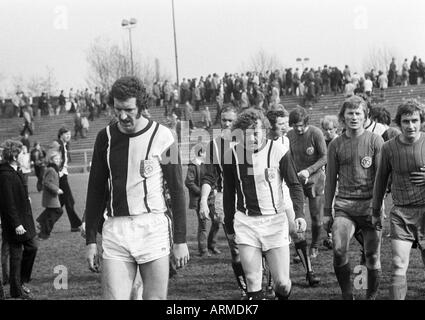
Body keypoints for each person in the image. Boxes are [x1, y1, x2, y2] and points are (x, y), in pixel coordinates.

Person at [84, 76, 189, 300]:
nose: (122, 116)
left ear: (142, 105)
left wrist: (180, 240)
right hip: (116, 230)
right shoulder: (105, 138)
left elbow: (178, 191)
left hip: (152, 228)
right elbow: (95, 191)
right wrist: (91, 240)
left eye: (129, 109)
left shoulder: (164, 137)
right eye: (117, 109)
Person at [222, 108, 306, 300]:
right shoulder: (231, 156)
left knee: (282, 284)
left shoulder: (278, 151)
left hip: (274, 222)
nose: (252, 139)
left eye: (256, 134)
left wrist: (299, 213)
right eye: (247, 135)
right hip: (246, 223)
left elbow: (294, 185)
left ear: (265, 130)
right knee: (253, 281)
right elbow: (228, 193)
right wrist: (229, 225)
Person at [324, 95, 384, 300]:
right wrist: (326, 212)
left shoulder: (376, 140)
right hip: (345, 206)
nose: (354, 117)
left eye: (358, 113)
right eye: (350, 113)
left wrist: (377, 208)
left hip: (370, 206)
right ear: (343, 116)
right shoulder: (335, 144)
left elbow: (381, 178)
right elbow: (330, 180)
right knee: (339, 250)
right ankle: (348, 294)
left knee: (372, 256)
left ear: (365, 116)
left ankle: (370, 297)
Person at [372, 99, 425, 300]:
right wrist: (376, 211)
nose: (410, 126)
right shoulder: (388, 148)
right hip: (401, 213)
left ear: (421, 121)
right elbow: (380, 181)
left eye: (414, 120)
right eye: (405, 121)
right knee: (398, 264)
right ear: (399, 123)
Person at [266, 109, 321, 287]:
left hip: (284, 192)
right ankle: (269, 283)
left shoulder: (285, 140)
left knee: (297, 231)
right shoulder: (261, 143)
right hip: (266, 197)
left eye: (285, 123)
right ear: (271, 125)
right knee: (268, 239)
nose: (285, 127)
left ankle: (309, 272)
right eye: (281, 124)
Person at [199, 105, 248, 298]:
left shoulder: (248, 141)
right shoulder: (214, 146)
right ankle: (245, 289)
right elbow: (209, 177)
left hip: (249, 198)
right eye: (224, 120)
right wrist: (203, 199)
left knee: (257, 244)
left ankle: (264, 283)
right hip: (226, 200)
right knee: (235, 249)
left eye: (231, 120)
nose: (227, 124)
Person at [0, 140, 38, 299]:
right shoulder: (5, 175)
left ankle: (19, 284)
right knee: (17, 254)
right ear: (14, 155)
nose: (25, 155)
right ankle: (17, 288)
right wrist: (16, 224)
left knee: (31, 248)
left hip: (24, 219)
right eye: (22, 153)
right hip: (16, 222)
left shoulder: (16, 170)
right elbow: (7, 203)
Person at [287, 106, 327, 259]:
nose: (298, 128)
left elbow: (324, 157)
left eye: (301, 125)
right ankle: (302, 248)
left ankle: (314, 246)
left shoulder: (315, 133)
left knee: (316, 217)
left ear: (306, 123)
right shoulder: (289, 135)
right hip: (297, 181)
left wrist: (309, 171)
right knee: (298, 216)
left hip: (315, 180)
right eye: (295, 125)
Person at [185, 146, 221, 257]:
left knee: (217, 221)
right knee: (203, 225)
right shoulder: (193, 166)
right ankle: (204, 250)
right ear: (201, 153)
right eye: (206, 152)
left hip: (211, 198)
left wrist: (214, 188)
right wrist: (202, 193)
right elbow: (189, 182)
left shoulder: (208, 165)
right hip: (199, 199)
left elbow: (213, 178)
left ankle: (212, 245)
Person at [55, 127, 83, 232]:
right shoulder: (57, 144)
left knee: (62, 202)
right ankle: (75, 224)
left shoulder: (64, 145)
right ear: (61, 134)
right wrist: (58, 172)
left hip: (63, 175)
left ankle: (44, 223)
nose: (68, 136)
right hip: (60, 176)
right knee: (69, 201)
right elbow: (53, 158)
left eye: (69, 134)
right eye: (66, 134)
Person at [320, 114, 340, 249]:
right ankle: (330, 236)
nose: (328, 132)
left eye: (331, 129)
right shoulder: (322, 141)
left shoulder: (339, 141)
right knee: (329, 206)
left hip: (340, 178)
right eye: (326, 129)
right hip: (326, 179)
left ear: (336, 129)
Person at [36, 150, 64, 240]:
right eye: (56, 159)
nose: (58, 160)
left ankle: (41, 223)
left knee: (51, 212)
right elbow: (46, 182)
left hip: (51, 196)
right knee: (57, 212)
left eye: (59, 159)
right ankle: (44, 233)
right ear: (51, 160)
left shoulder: (53, 168)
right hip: (51, 196)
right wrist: (57, 189)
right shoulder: (52, 169)